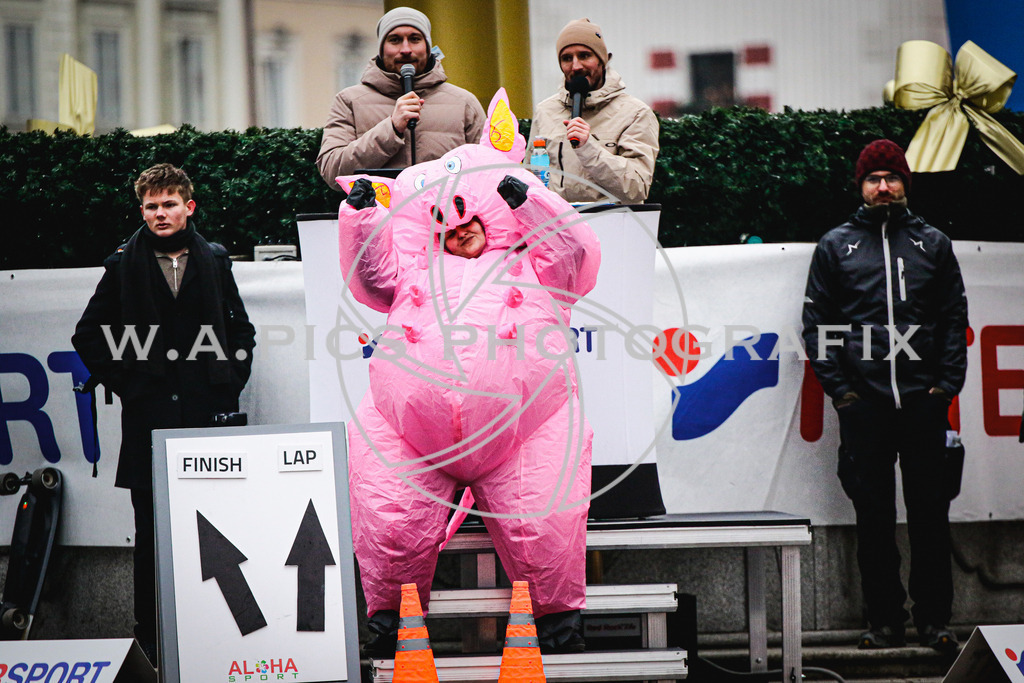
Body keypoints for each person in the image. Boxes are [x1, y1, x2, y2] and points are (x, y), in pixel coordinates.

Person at [335, 90, 600, 656]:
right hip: (410, 432)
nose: (459, 231)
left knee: (542, 521)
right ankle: (390, 621)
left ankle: (558, 621)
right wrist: (361, 216)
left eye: (468, 219)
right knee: (390, 520)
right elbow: (371, 276)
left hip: (525, 428)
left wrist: (532, 202)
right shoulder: (414, 270)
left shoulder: (533, 263)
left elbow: (575, 256)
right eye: (446, 226)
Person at [72, 164, 256, 664]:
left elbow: (241, 332)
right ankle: (150, 638)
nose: (160, 213)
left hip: (207, 418)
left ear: (188, 207)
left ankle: (217, 633)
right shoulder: (120, 266)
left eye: (169, 204)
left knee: (216, 528)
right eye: (151, 206)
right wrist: (131, 385)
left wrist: (228, 383)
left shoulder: (215, 260)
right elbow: (87, 335)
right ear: (142, 211)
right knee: (152, 536)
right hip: (148, 421)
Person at [802, 140, 968, 653]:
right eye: (873, 179)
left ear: (905, 184)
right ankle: (883, 621)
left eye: (891, 178)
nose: (882, 187)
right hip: (865, 407)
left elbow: (953, 320)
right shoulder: (836, 245)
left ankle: (935, 621)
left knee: (930, 518)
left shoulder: (933, 243)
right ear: (861, 186)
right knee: (873, 521)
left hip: (923, 403)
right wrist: (843, 393)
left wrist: (946, 386)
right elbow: (818, 326)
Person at [316, 6, 486, 189]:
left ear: (428, 47)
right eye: (395, 40)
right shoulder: (349, 101)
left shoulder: (464, 103)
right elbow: (333, 173)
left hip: (447, 208)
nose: (406, 49)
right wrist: (391, 128)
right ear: (381, 49)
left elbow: (489, 171)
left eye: (415, 39)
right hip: (379, 208)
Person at [530, 17, 659, 204]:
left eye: (584, 56)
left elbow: (637, 188)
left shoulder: (635, 113)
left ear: (602, 60)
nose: (576, 66)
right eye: (567, 58)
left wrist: (588, 148)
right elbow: (531, 180)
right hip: (556, 220)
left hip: (612, 220)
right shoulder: (545, 111)